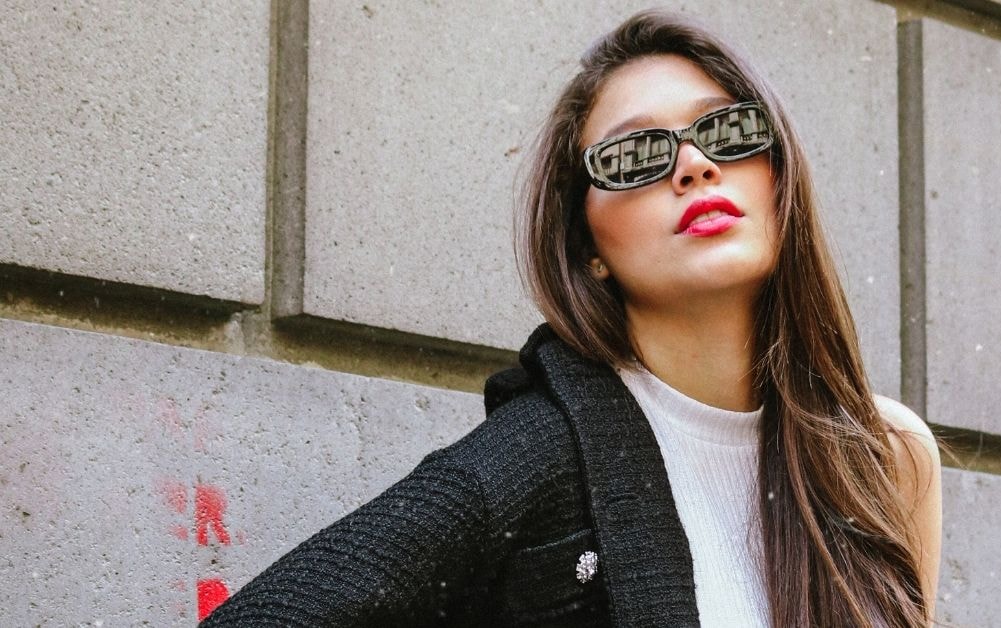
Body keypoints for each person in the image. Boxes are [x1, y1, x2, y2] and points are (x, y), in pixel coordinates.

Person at [201, 10, 941, 628]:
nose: (694, 164)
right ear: (588, 247)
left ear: (780, 177)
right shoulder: (529, 464)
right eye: (634, 156)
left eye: (728, 130)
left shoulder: (885, 459)